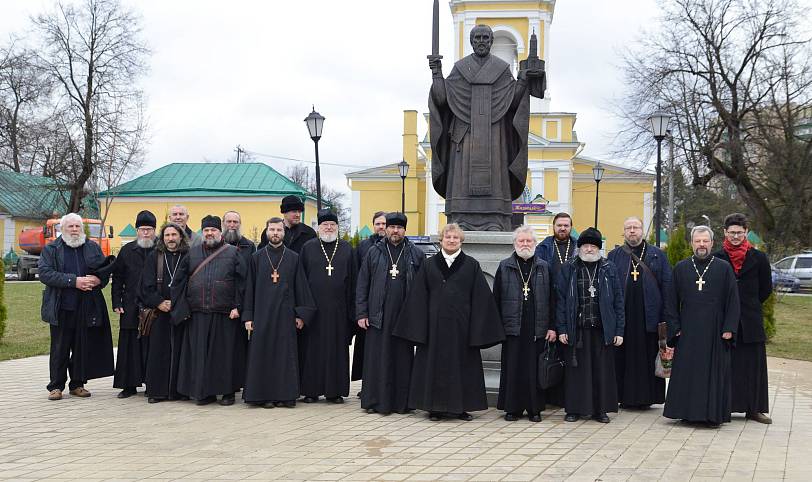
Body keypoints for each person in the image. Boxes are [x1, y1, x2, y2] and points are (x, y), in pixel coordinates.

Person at [427, 25, 545, 231]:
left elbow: (512, 101)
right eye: (477, 38)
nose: (481, 41)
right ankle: (460, 219)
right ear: (471, 42)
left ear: (491, 41)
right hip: (464, 137)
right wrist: (437, 73)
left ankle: (495, 220)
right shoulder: (460, 68)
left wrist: (523, 80)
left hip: (494, 137)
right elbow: (442, 98)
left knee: (496, 173)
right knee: (461, 176)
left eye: (485, 38)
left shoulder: (501, 69)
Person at [394, 223, 505, 421]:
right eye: (448, 237)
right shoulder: (429, 265)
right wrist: (419, 328)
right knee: (433, 367)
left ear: (461, 241)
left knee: (461, 368)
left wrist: (478, 330)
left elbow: (481, 299)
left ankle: (460, 408)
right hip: (434, 328)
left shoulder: (471, 265)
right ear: (441, 240)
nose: (452, 240)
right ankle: (434, 408)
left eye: (455, 238)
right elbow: (418, 297)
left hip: (461, 328)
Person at [664, 226, 740, 428]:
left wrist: (729, 327)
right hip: (688, 329)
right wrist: (675, 327)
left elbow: (733, 300)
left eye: (705, 241)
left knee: (712, 372)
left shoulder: (723, 268)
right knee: (689, 372)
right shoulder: (681, 267)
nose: (701, 245)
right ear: (691, 243)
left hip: (715, 329)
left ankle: (712, 415)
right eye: (698, 241)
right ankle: (686, 413)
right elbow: (671, 301)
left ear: (712, 243)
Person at [172, 215, 247, 406]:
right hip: (197, 313)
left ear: (220, 232)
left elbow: (243, 283)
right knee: (200, 356)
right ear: (202, 232)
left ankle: (227, 392)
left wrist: (238, 306)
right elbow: (179, 282)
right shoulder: (192, 252)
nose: (210, 233)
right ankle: (204, 393)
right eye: (206, 230)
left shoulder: (233, 253)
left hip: (225, 313)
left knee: (224, 356)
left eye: (213, 230)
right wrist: (183, 308)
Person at [39, 213, 115, 400]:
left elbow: (104, 270)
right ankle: (56, 386)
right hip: (62, 305)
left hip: (86, 306)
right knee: (60, 347)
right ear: (62, 229)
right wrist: (74, 281)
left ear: (82, 229)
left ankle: (78, 384)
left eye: (77, 227)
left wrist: (98, 280)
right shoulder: (52, 249)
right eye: (70, 227)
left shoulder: (92, 247)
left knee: (82, 346)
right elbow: (45, 273)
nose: (74, 230)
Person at [243, 217, 316, 408]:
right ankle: (263, 396)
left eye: (279, 230)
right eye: (272, 230)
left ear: (284, 233)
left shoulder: (293, 257)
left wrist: (301, 314)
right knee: (263, 354)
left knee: (286, 355)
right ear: (267, 232)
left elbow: (301, 287)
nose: (275, 233)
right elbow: (249, 288)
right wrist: (248, 316)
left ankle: (286, 395)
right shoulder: (256, 258)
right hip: (262, 314)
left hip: (286, 315)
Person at [356, 212, 423, 415]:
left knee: (402, 360)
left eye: (399, 228)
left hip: (405, 316)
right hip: (378, 316)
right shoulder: (374, 252)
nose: (395, 231)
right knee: (377, 359)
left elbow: (422, 288)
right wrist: (362, 313)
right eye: (392, 227)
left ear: (405, 230)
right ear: (386, 229)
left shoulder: (415, 254)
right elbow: (362, 284)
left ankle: (402, 403)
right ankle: (375, 401)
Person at [556, 227, 625, 423]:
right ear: (579, 248)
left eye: (592, 246)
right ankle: (573, 410)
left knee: (600, 373)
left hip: (602, 330)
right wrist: (561, 328)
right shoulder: (569, 268)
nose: (588, 249)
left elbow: (619, 301)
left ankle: (600, 410)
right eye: (585, 245)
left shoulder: (609, 268)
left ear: (598, 248)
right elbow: (560, 300)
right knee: (576, 373)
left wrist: (619, 330)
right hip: (576, 329)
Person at [607, 217, 672, 409]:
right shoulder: (614, 255)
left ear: (642, 230)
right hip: (623, 316)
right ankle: (622, 396)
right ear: (624, 231)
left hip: (649, 315)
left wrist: (666, 317)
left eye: (636, 227)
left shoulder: (657, 255)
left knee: (647, 356)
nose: (632, 231)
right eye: (628, 228)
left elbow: (667, 286)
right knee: (622, 357)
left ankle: (647, 398)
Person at [714, 213, 773, 424]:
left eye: (739, 232)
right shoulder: (718, 258)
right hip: (725, 320)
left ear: (746, 232)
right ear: (725, 233)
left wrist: (748, 304)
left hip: (750, 319)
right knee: (727, 365)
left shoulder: (759, 258)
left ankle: (754, 408)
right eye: (732, 233)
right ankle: (725, 406)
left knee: (753, 365)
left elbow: (766, 289)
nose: (736, 236)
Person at [493, 226, 556, 422]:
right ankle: (512, 408)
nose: (525, 244)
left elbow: (553, 299)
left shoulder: (544, 267)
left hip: (537, 327)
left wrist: (552, 327)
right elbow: (496, 300)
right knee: (513, 369)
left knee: (534, 370)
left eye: (529, 241)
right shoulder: (505, 266)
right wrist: (497, 328)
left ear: (535, 244)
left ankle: (534, 409)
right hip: (513, 327)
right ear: (515, 244)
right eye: (521, 241)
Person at [297, 209, 357, 404]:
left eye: (332, 225)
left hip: (339, 311)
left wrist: (352, 312)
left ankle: (335, 392)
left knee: (337, 351)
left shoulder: (347, 249)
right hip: (314, 310)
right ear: (319, 227)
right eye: (325, 225)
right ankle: (311, 391)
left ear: (337, 227)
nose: (329, 228)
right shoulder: (308, 248)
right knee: (311, 351)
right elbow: (301, 280)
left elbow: (354, 282)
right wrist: (303, 309)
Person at [111, 210, 157, 398]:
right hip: (130, 304)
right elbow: (118, 278)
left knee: (151, 345)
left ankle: (152, 383)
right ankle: (128, 385)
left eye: (149, 229)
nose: (145, 233)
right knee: (129, 346)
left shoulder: (160, 250)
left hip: (153, 306)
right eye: (142, 229)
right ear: (137, 230)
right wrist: (116, 301)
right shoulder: (127, 250)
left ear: (154, 231)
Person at [141, 223, 189, 403]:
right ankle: (157, 391)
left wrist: (179, 304)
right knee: (158, 352)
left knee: (181, 351)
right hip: (160, 311)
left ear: (181, 237)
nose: (171, 238)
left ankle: (180, 391)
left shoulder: (188, 256)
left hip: (181, 311)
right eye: (167, 235)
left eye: (174, 235)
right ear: (162, 238)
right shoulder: (155, 257)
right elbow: (145, 286)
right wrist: (159, 302)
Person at [352, 210, 388, 387]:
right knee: (367, 349)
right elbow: (358, 276)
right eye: (378, 224)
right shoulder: (364, 246)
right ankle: (367, 385)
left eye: (384, 224)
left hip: (388, 305)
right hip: (368, 304)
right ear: (373, 226)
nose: (381, 227)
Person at [535, 212, 578, 281]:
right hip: (549, 290)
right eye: (559, 225)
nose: (563, 228)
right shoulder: (543, 248)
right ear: (553, 226)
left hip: (572, 290)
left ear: (571, 227)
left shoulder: (578, 247)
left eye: (566, 225)